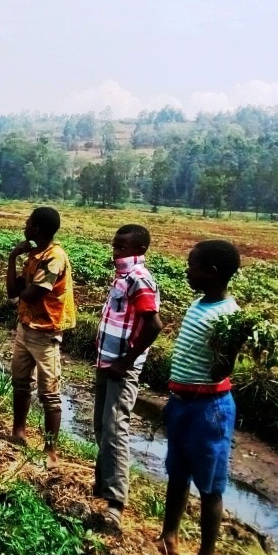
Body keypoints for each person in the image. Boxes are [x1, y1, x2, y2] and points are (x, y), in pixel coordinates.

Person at [158, 240, 242, 555]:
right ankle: (169, 536)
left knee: (210, 482)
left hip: (210, 410)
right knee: (177, 471)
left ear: (212, 272)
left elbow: (222, 369)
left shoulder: (228, 316)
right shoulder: (199, 303)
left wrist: (233, 344)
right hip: (183, 402)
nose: (186, 270)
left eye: (192, 265)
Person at [93, 224, 163, 529]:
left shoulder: (138, 278)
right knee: (100, 425)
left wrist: (126, 361)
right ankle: (102, 484)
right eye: (115, 246)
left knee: (115, 429)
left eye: (122, 247)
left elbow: (154, 325)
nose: (116, 252)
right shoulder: (122, 276)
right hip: (107, 362)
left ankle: (115, 502)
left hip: (121, 367)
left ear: (140, 250)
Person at [6, 206, 76, 467]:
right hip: (26, 326)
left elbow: (31, 294)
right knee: (20, 382)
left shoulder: (54, 257)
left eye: (28, 223)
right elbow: (13, 291)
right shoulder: (34, 254)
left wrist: (22, 289)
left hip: (46, 332)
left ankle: (50, 450)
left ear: (36, 229)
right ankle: (19, 432)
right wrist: (13, 257)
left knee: (50, 393)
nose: (24, 226)